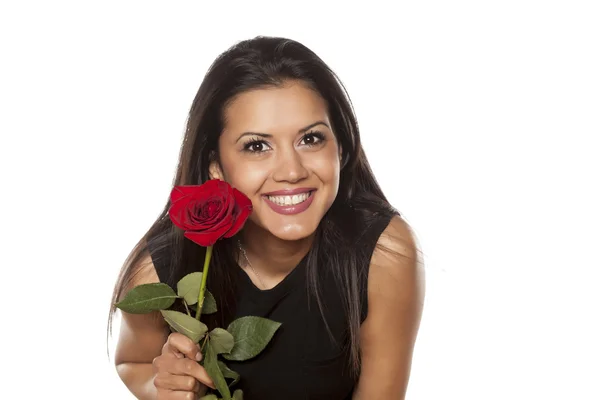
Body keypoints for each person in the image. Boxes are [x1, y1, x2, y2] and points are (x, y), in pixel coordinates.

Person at [109, 36, 425, 400]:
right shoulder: (163, 266)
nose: (291, 171)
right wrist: (167, 386)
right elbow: (132, 363)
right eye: (257, 146)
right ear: (216, 165)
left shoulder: (384, 254)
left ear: (342, 144)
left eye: (310, 139)